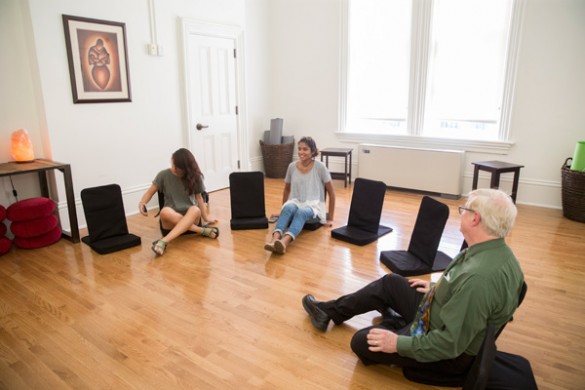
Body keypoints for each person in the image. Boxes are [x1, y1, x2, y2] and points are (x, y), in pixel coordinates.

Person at [302, 188, 524, 378]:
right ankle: (329, 312)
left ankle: (395, 324)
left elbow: (449, 344)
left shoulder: (478, 280)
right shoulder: (497, 253)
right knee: (391, 283)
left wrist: (397, 344)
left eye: (464, 210)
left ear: (475, 218)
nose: (461, 214)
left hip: (445, 349)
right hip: (439, 313)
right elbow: (462, 287)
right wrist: (441, 289)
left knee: (361, 342)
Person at [139, 148, 219, 256]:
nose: (174, 169)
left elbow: (199, 198)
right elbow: (149, 192)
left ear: (187, 169)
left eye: (178, 168)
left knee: (195, 209)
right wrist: (142, 203)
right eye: (173, 165)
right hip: (171, 223)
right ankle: (202, 231)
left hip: (191, 218)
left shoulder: (195, 177)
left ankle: (163, 241)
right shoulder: (163, 175)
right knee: (164, 212)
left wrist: (206, 217)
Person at [264, 137, 336, 254]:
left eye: (305, 149)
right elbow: (287, 190)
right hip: (296, 201)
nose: (301, 152)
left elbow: (332, 193)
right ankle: (273, 241)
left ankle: (284, 243)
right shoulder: (292, 166)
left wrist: (331, 218)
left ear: (312, 151)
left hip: (313, 205)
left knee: (301, 213)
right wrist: (282, 211)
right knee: (288, 208)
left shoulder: (320, 167)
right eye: (299, 149)